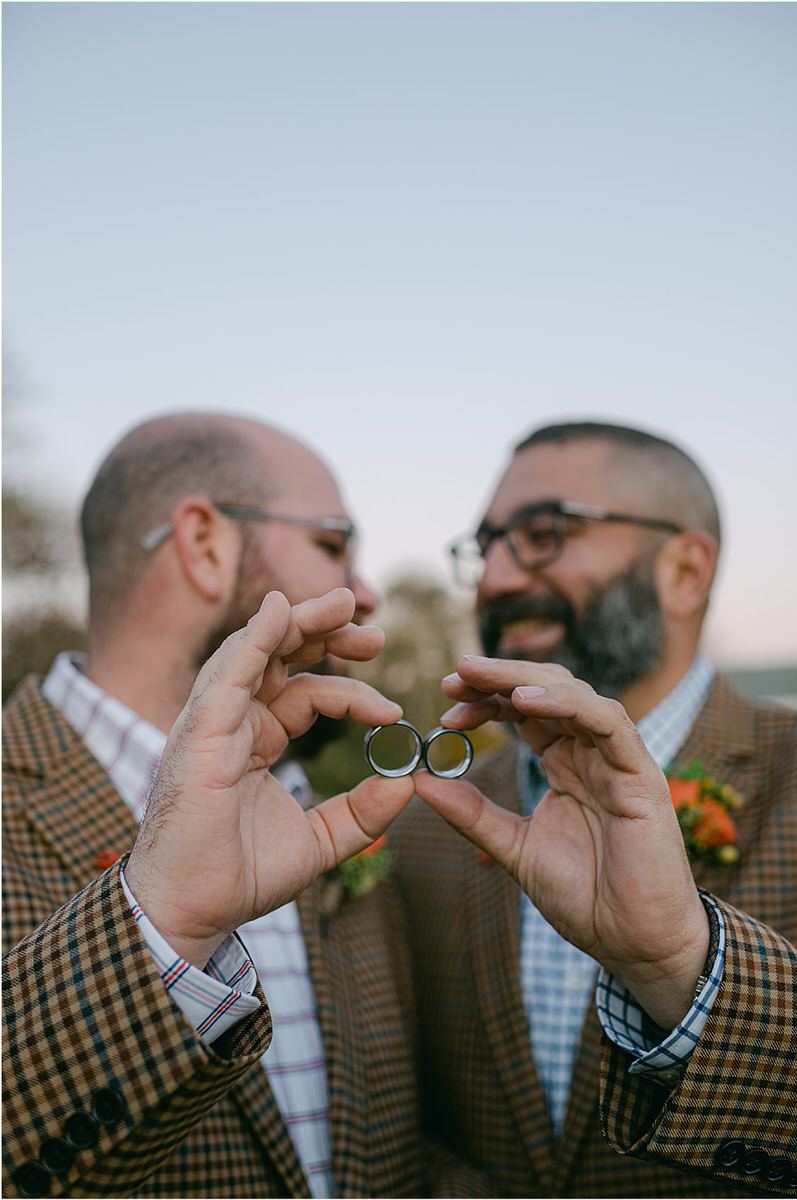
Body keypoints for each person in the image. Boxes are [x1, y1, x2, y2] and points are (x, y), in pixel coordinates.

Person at [2, 414, 476, 1199]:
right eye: (332, 543)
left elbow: (409, 1147)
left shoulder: (329, 819)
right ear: (205, 543)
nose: (365, 591)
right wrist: (162, 924)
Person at [392, 420, 797, 1197]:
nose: (496, 579)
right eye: (487, 546)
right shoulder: (427, 822)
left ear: (684, 570)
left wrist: (678, 968)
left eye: (544, 534)